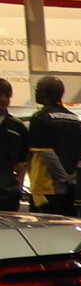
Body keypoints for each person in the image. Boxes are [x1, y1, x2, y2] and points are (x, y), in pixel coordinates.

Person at [24, 76, 81, 215]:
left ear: (44, 93)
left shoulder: (40, 118)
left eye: (38, 89)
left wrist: (63, 177)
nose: (36, 92)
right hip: (73, 190)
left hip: (47, 190)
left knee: (44, 231)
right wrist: (75, 176)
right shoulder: (76, 120)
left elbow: (47, 154)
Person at [0, 78, 27, 212]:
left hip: (8, 194)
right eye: (0, 94)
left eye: (7, 95)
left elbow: (23, 160)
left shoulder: (17, 126)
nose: (3, 99)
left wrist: (19, 185)